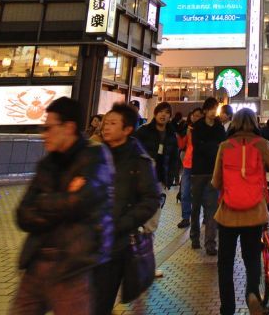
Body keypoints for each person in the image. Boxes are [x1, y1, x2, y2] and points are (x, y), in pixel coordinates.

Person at [10, 97, 113, 315]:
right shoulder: (47, 164)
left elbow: (83, 201)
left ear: (68, 127)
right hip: (36, 262)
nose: (43, 134)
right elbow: (23, 215)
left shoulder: (96, 157)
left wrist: (45, 202)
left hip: (72, 266)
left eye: (48, 127)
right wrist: (66, 197)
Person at [210, 109, 269, 315]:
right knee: (252, 258)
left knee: (225, 263)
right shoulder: (262, 144)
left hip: (228, 214)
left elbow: (216, 181)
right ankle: (252, 295)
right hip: (255, 213)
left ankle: (227, 309)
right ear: (255, 123)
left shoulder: (225, 146)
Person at [94, 104, 161, 315]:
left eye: (113, 123)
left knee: (101, 300)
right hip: (87, 240)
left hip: (117, 244)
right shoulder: (94, 155)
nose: (106, 127)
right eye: (106, 122)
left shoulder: (139, 161)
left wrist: (123, 224)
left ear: (128, 129)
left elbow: (151, 198)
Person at [189, 97, 227, 253]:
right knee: (196, 206)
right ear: (205, 110)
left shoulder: (219, 127)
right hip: (198, 171)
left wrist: (208, 146)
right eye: (210, 108)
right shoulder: (197, 126)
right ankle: (194, 237)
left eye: (215, 108)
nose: (213, 112)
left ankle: (210, 244)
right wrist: (213, 147)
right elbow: (198, 146)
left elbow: (222, 146)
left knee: (212, 208)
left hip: (213, 171)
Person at [135, 102, 177, 191]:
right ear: (155, 114)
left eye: (167, 112)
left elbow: (174, 159)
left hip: (161, 179)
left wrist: (169, 180)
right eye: (160, 111)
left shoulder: (171, 135)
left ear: (170, 117)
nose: (163, 114)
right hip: (142, 177)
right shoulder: (143, 131)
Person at [176, 108, 202, 228]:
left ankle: (204, 217)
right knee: (185, 192)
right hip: (187, 165)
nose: (196, 118)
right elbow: (181, 145)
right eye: (194, 115)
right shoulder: (188, 129)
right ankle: (186, 217)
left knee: (200, 194)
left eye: (198, 116)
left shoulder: (205, 131)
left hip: (201, 166)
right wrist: (181, 135)